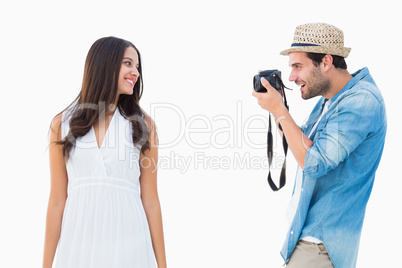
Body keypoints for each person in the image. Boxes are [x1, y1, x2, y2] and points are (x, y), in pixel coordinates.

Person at [252, 23, 386, 267]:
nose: (291, 77)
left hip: (322, 245)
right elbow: (304, 145)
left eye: (297, 66)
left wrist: (280, 111)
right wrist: (278, 108)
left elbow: (313, 163)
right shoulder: (331, 99)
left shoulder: (361, 100)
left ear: (325, 62)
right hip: (309, 239)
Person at [42, 37, 167, 268]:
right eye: (128, 63)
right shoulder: (62, 124)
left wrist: (163, 265)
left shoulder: (144, 126)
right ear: (105, 64)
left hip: (131, 242)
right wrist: (46, 265)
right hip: (78, 242)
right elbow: (57, 200)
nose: (136, 72)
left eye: (137, 67)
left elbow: (151, 200)